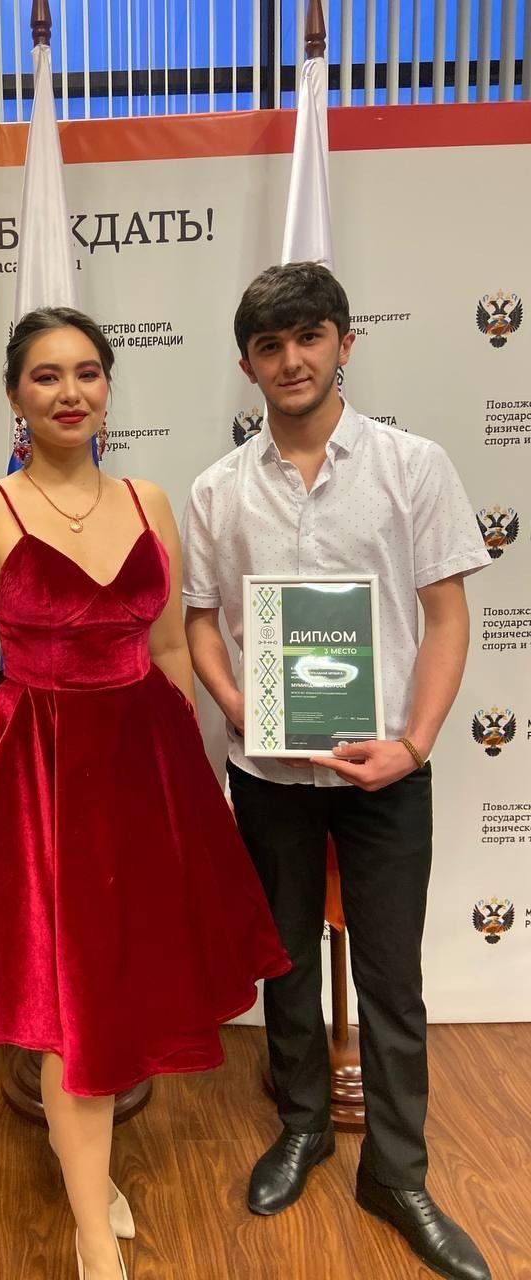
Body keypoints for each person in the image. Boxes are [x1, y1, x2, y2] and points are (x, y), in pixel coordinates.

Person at [0, 306, 289, 1280]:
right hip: (37, 774)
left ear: (109, 387)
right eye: (46, 375)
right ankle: (91, 1231)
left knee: (121, 986)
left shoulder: (149, 500)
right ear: (14, 395)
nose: (69, 391)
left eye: (86, 372)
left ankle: (90, 1169)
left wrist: (192, 784)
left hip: (145, 765)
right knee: (71, 1003)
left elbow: (167, 649)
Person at [181, 262, 491, 1280]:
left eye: (309, 337)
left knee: (390, 977)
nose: (292, 360)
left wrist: (415, 742)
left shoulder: (413, 466)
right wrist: (239, 707)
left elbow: (447, 616)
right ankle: (303, 1125)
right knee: (283, 960)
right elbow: (200, 622)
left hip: (385, 772)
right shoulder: (217, 490)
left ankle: (397, 1172)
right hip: (269, 772)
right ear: (247, 365)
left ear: (345, 343)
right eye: (269, 346)